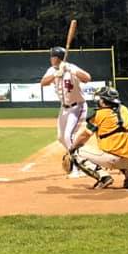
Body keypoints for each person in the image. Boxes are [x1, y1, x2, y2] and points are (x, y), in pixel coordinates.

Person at [66, 86, 128, 190]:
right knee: (124, 149)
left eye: (99, 98)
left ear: (103, 101)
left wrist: (72, 147)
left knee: (76, 153)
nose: (98, 101)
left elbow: (85, 135)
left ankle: (104, 177)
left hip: (114, 158)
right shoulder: (124, 110)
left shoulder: (99, 114)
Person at [40, 46, 92, 177]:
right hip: (64, 108)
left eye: (52, 56)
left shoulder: (71, 67)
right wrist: (55, 74)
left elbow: (87, 78)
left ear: (57, 58)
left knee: (68, 135)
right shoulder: (52, 70)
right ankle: (82, 159)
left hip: (77, 107)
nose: (50, 59)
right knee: (61, 137)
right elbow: (43, 82)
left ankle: (76, 169)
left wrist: (70, 69)